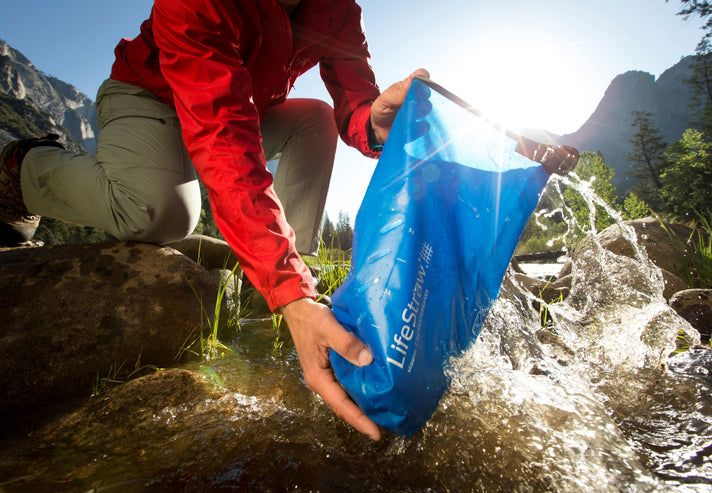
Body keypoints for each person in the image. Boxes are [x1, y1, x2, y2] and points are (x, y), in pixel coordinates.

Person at [0, 0, 429, 441]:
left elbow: (354, 100)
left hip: (244, 105)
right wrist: (288, 287)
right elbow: (225, 144)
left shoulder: (338, 8)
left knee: (314, 119)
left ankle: (285, 308)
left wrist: (374, 122)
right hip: (152, 97)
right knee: (159, 215)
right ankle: (24, 166)